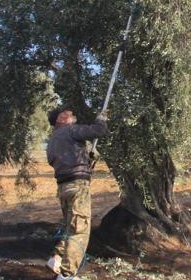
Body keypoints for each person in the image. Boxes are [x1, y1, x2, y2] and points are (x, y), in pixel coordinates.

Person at [46, 107, 108, 280]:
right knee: (79, 229)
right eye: (69, 114)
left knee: (69, 225)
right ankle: (67, 275)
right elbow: (99, 130)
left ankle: (56, 258)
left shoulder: (52, 141)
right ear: (60, 118)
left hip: (64, 187)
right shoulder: (70, 130)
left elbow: (65, 161)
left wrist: (87, 159)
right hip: (77, 187)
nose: (73, 115)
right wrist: (101, 119)